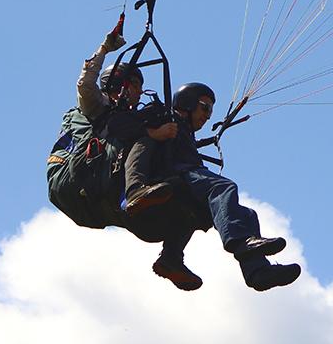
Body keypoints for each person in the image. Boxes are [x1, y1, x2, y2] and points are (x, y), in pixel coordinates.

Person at [149, 82, 302, 293]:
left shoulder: (186, 131)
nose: (208, 115)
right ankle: (239, 242)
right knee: (223, 187)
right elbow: (135, 128)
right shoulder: (167, 118)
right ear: (188, 103)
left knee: (248, 215)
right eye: (205, 107)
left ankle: (257, 272)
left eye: (211, 110)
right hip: (175, 174)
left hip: (186, 174)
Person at [77, 19, 178, 214]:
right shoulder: (98, 104)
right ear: (120, 84)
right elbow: (85, 84)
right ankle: (134, 191)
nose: (140, 92)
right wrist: (105, 48)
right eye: (136, 85)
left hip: (117, 164)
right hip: (101, 166)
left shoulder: (132, 115)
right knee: (146, 139)